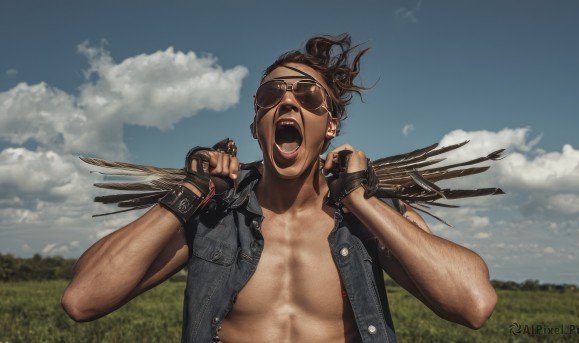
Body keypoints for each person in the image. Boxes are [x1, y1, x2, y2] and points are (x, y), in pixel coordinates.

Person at [62, 33, 497, 342]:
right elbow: (82, 300)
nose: (287, 101)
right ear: (256, 123)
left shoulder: (367, 217)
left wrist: (363, 200)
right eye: (271, 96)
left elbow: (473, 304)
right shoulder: (214, 215)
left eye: (308, 96)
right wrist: (188, 194)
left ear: (330, 126)